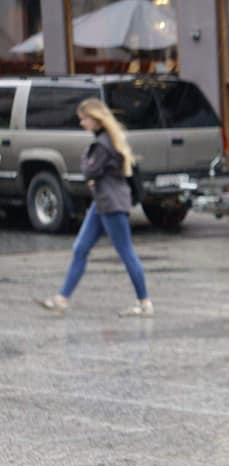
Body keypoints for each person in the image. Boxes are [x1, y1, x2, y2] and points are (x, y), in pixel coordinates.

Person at [36, 98, 154, 317]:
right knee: (80, 248)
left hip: (111, 204)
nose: (82, 123)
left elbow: (89, 171)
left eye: (84, 119)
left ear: (96, 118)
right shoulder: (110, 139)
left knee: (126, 252)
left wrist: (86, 161)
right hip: (102, 202)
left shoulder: (101, 144)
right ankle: (62, 299)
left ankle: (145, 302)